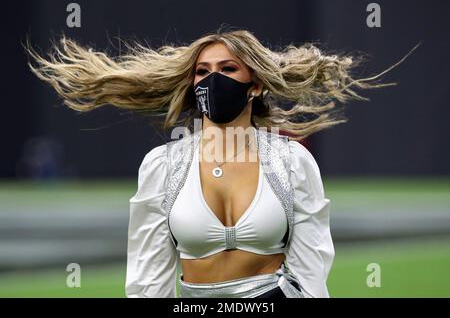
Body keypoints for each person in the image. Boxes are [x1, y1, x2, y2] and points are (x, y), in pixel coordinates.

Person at [26, 27, 413, 298]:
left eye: (227, 70)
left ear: (256, 85)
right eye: (202, 71)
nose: (213, 80)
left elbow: (312, 271)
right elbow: (147, 280)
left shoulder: (292, 162)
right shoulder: (163, 166)